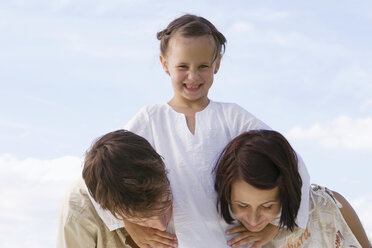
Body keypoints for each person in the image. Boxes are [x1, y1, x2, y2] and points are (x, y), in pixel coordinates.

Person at [90, 14, 310, 248]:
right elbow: (104, 174)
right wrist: (129, 223)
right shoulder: (149, 120)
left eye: (203, 66)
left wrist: (275, 226)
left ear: (217, 64)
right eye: (182, 66)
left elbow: (291, 163)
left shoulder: (234, 118)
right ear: (165, 64)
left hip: (231, 242)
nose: (193, 76)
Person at [214, 129, 371, 248]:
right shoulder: (224, 233)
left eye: (267, 206)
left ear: (286, 192)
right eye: (242, 205)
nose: (253, 220)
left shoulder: (327, 209)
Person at [57, 129, 177, 248]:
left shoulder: (172, 170)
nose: (161, 226)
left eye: (164, 205)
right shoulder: (78, 214)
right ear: (111, 210)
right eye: (144, 220)